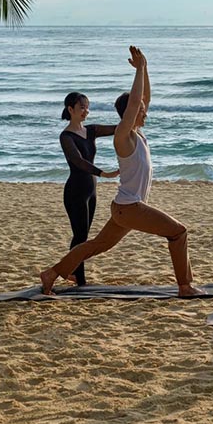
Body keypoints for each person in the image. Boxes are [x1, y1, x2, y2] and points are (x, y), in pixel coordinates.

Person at [40, 46, 205, 297]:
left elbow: (144, 99)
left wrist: (145, 68)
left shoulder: (138, 133)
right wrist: (138, 71)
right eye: (140, 108)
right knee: (178, 232)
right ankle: (185, 286)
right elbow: (136, 102)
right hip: (130, 208)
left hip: (124, 208)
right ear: (131, 111)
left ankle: (51, 274)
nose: (145, 110)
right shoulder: (123, 136)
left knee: (95, 245)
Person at [58, 92, 119, 286]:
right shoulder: (66, 136)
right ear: (70, 109)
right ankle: (79, 280)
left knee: (83, 235)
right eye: (82, 107)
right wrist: (103, 173)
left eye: (87, 107)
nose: (86, 111)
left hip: (91, 190)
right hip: (75, 190)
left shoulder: (91, 130)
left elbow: (118, 129)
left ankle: (73, 273)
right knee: (80, 235)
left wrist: (133, 113)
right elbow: (78, 161)